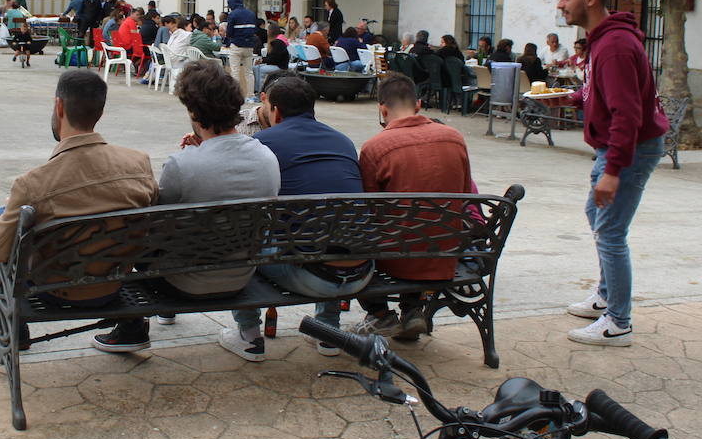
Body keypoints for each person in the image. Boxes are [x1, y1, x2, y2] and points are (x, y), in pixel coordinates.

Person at [90, 60, 282, 351]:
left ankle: (132, 327)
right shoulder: (267, 157)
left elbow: (151, 230)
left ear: (194, 112)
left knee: (130, 234)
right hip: (242, 276)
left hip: (188, 283)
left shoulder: (183, 165)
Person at [0, 70, 158, 308]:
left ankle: (18, 328)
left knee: (17, 217)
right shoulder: (139, 164)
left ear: (59, 107)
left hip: (56, 290)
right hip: (114, 284)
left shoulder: (33, 183)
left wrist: (9, 210)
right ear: (100, 111)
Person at [538, 0, 668, 347]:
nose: (561, 4)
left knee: (610, 232)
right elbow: (604, 92)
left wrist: (613, 170)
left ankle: (618, 322)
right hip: (618, 147)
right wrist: (572, 97)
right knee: (597, 216)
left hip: (628, 148)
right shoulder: (603, 40)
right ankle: (606, 297)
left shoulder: (612, 45)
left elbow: (627, 114)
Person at [225, 74, 373, 361]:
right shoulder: (342, 141)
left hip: (309, 275)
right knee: (331, 228)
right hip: (361, 271)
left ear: (275, 110)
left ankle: (248, 333)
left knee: (243, 232)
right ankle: (329, 332)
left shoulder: (263, 142)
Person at [349, 76, 474, 340]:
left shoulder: (375, 147)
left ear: (382, 109)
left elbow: (370, 209)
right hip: (444, 254)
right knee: (421, 223)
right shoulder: (454, 138)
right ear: (418, 104)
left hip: (397, 259)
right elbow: (463, 194)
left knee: (362, 240)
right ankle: (412, 308)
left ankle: (380, 314)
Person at [222, 0, 258, 99]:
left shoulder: (233, 15)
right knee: (249, 72)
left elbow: (229, 32)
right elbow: (254, 30)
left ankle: (235, 95)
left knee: (235, 71)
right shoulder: (251, 14)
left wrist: (230, 40)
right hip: (249, 46)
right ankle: (250, 95)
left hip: (236, 45)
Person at [253, 22, 289, 92]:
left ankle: (261, 90)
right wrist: (262, 60)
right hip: (276, 64)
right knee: (255, 67)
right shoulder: (275, 42)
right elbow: (272, 57)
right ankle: (257, 89)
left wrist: (262, 60)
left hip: (280, 66)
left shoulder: (277, 43)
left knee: (260, 69)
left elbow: (274, 59)